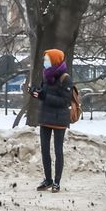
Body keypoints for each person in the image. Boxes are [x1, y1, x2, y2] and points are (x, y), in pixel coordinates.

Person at [29, 48, 74, 192]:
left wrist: (44, 96)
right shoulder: (46, 75)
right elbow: (44, 93)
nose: (45, 62)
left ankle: (57, 182)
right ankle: (47, 180)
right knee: (44, 150)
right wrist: (36, 92)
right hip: (45, 117)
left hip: (59, 119)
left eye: (47, 59)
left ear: (55, 60)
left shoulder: (65, 78)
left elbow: (65, 101)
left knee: (58, 150)